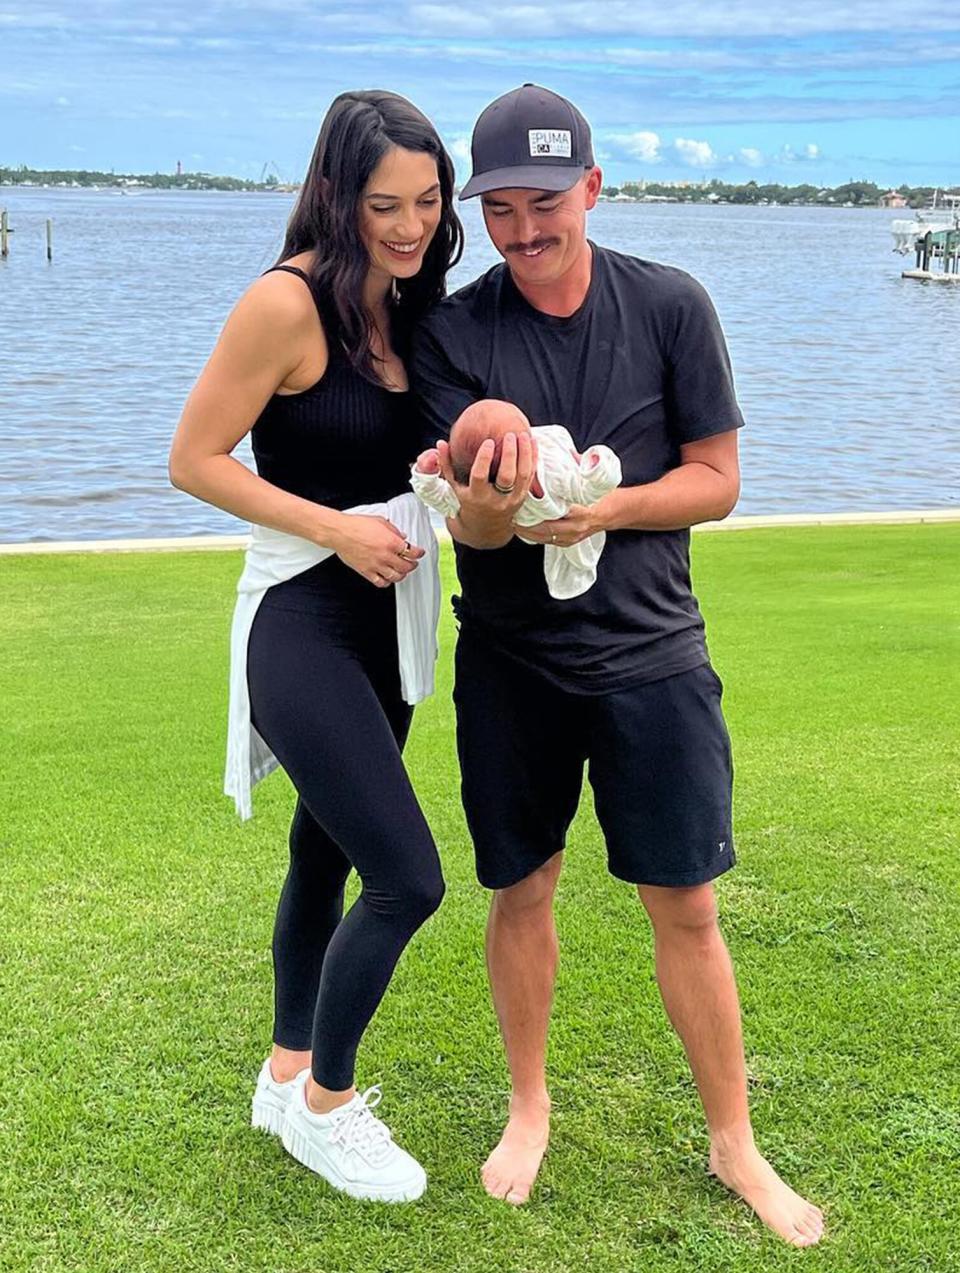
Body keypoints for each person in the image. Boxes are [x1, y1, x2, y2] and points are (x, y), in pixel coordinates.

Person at [411, 83, 824, 1246]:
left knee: (685, 904)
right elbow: (469, 529)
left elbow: (718, 479)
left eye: (546, 204)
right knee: (521, 887)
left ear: (593, 187)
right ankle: (528, 1105)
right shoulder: (455, 332)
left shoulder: (671, 305)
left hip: (653, 656)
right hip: (512, 662)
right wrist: (497, 513)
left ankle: (736, 1141)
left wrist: (609, 510)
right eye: (501, 211)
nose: (524, 231)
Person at [169, 90, 463, 1203]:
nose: (410, 224)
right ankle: (326, 1107)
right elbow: (195, 458)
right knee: (408, 877)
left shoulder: (408, 300)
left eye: (428, 202)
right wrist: (339, 527)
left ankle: (284, 1067)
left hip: (385, 624)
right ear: (336, 195)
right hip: (298, 616)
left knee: (325, 854)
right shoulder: (283, 304)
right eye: (386, 204)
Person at [411, 398, 622, 599]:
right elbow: (589, 491)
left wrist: (424, 475)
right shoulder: (550, 472)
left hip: (535, 544)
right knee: (577, 557)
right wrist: (597, 463)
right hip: (547, 531)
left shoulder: (462, 493)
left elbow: (439, 500)